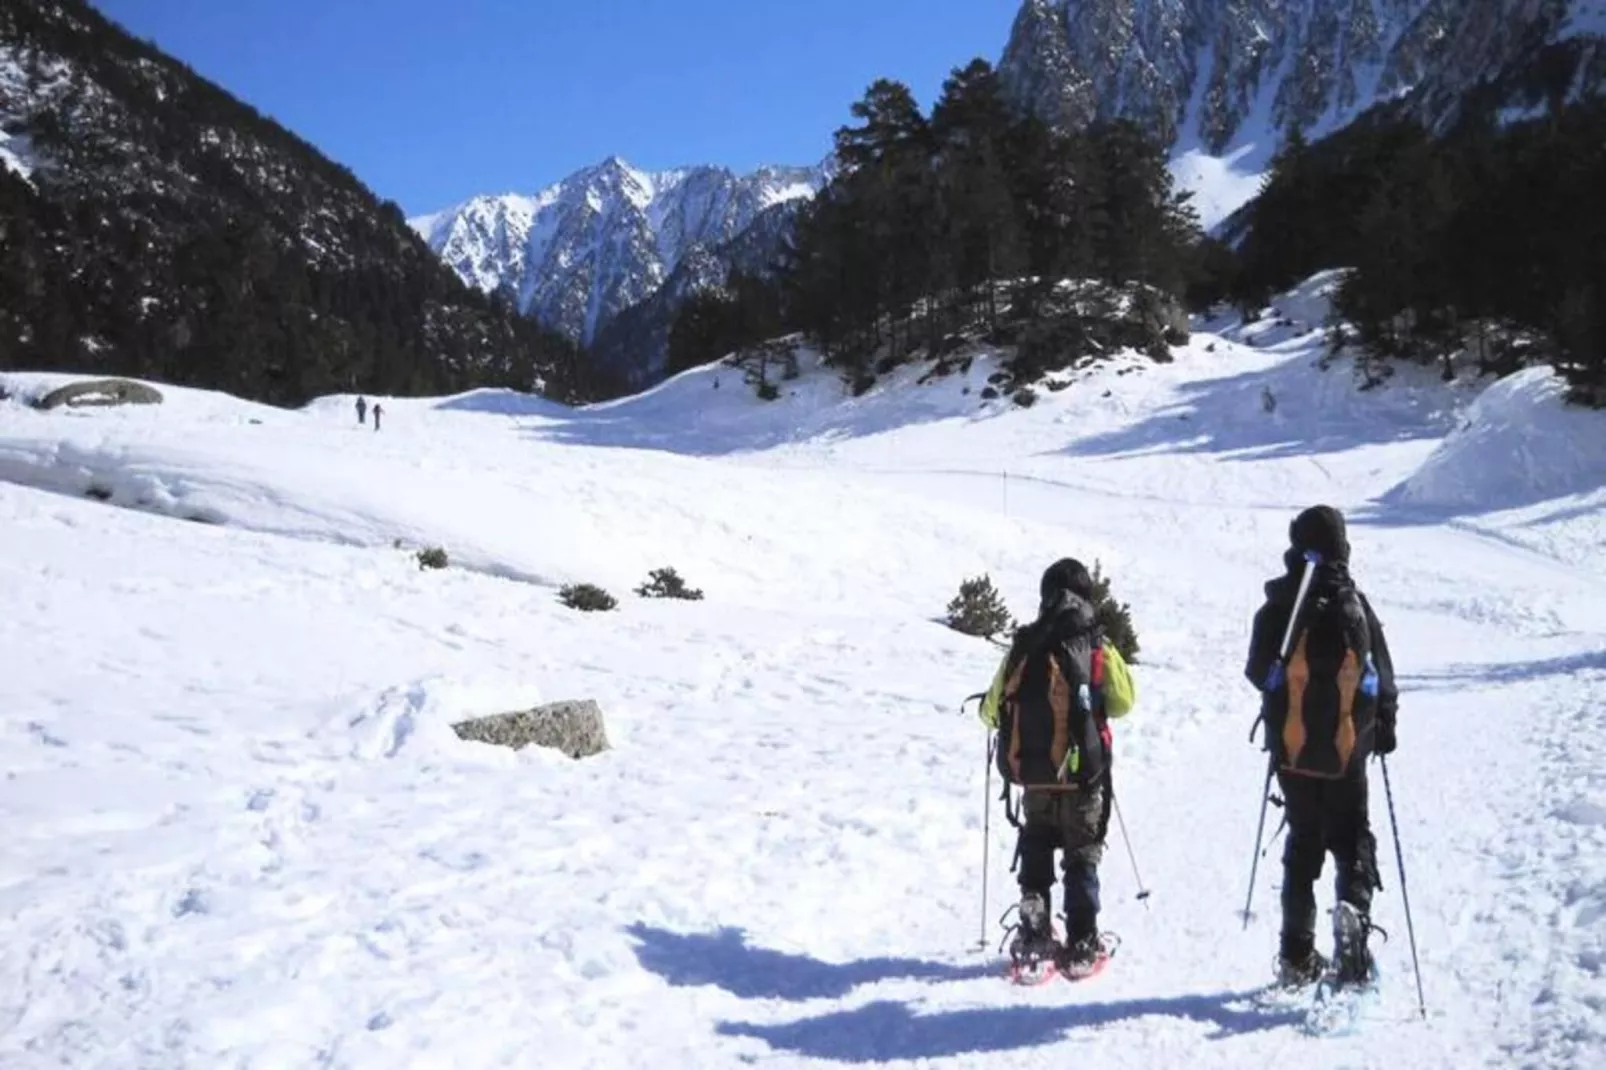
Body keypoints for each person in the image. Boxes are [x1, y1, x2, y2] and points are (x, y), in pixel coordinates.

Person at [1244, 505, 1398, 988]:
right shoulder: (1355, 604)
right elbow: (1383, 677)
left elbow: (1256, 670)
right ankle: (1352, 919)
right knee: (1352, 839)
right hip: (1347, 753)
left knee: (1302, 844)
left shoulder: (1280, 604)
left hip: (1291, 754)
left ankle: (1295, 955)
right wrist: (1384, 729)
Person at [977, 558, 1136, 977]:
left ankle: (1033, 925)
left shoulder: (1026, 643)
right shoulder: (1096, 643)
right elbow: (1123, 702)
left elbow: (992, 709)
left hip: (1036, 774)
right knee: (1081, 854)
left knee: (1038, 840)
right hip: (1084, 777)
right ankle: (1082, 941)